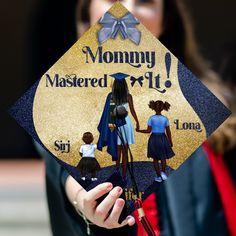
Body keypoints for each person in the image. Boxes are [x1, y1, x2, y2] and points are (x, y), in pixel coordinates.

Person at [33, 0, 236, 235]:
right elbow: (63, 169)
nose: (127, 11)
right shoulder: (60, 104)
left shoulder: (207, 103)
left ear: (165, 19)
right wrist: (84, 199)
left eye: (145, 1)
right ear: (87, 13)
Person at [97, 72, 139, 184]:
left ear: (115, 84)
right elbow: (133, 111)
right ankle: (124, 175)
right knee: (125, 152)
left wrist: (110, 128)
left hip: (116, 124)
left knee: (117, 150)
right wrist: (137, 122)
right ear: (125, 85)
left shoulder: (111, 96)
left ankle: (117, 171)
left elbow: (109, 113)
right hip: (126, 124)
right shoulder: (128, 96)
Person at [136, 100, 175, 182]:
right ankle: (163, 173)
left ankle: (158, 176)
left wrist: (139, 130)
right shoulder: (165, 119)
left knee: (155, 159)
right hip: (163, 138)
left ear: (153, 107)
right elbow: (168, 131)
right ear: (163, 107)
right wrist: (170, 141)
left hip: (153, 139)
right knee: (163, 157)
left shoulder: (151, 118)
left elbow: (148, 131)